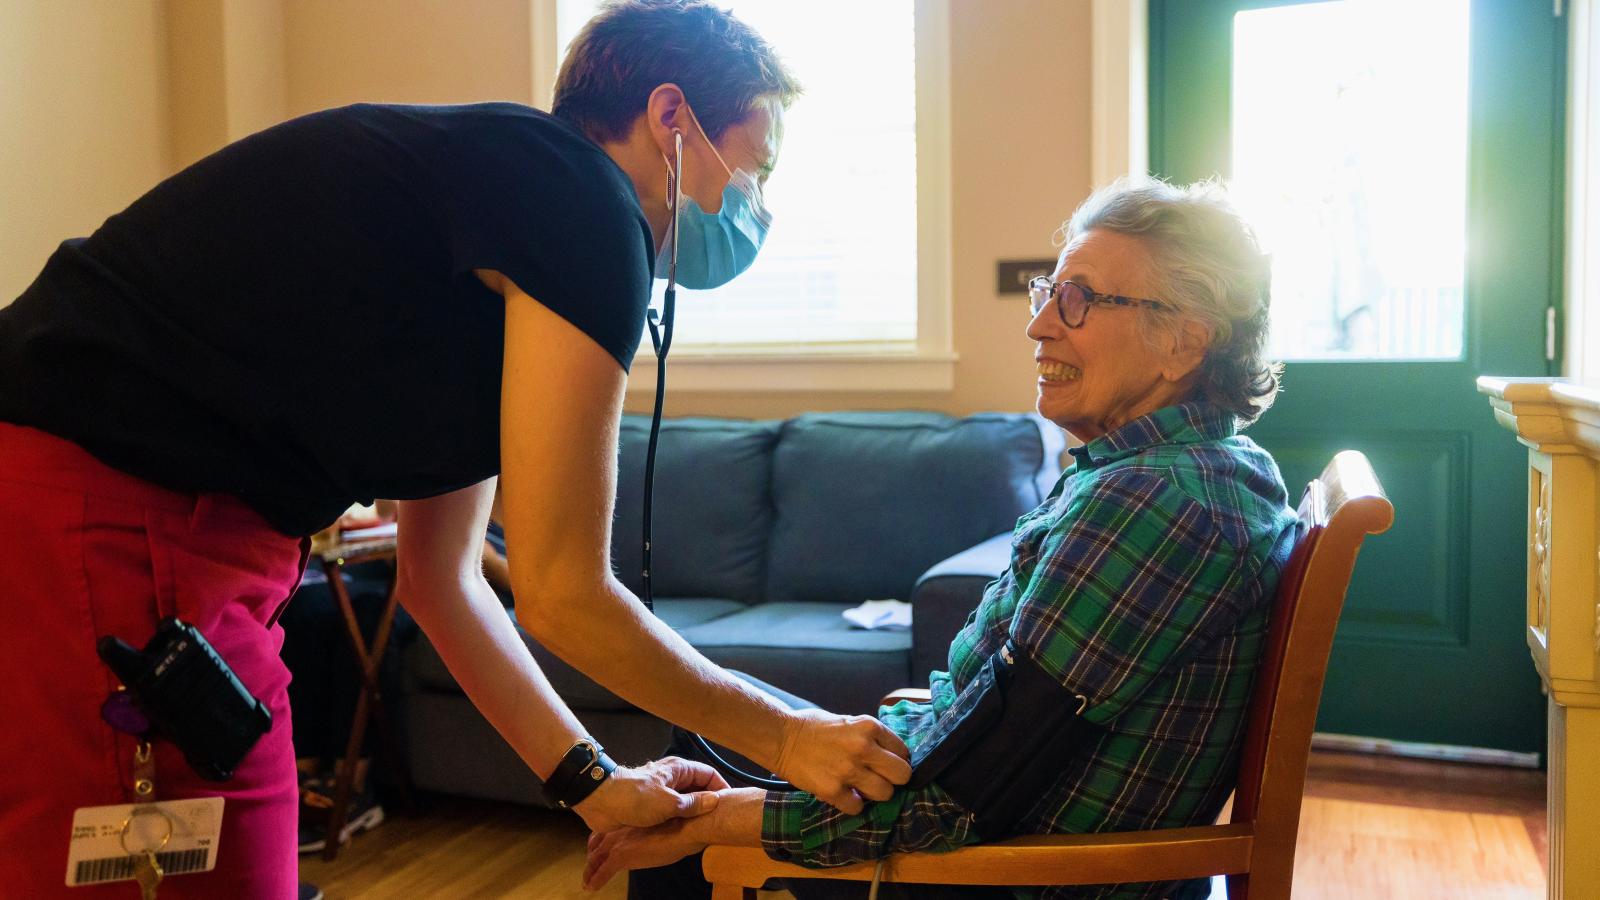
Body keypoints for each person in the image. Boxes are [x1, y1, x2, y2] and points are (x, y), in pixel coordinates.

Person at [0, 2, 912, 897]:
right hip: (107, 521)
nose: (752, 207)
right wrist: (790, 740)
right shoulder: (581, 200)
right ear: (671, 116)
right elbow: (564, 595)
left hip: (142, 527)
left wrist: (593, 786)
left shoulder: (501, 218)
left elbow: (444, 582)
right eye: (757, 169)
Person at [585, 179, 1302, 900]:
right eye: (1047, 293)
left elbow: (957, 802)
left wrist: (713, 816)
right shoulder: (1178, 475)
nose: (1041, 325)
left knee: (684, 814)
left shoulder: (1156, 505)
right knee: (705, 737)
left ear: (1183, 343)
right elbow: (983, 741)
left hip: (983, 875)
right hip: (973, 827)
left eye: (1078, 299)